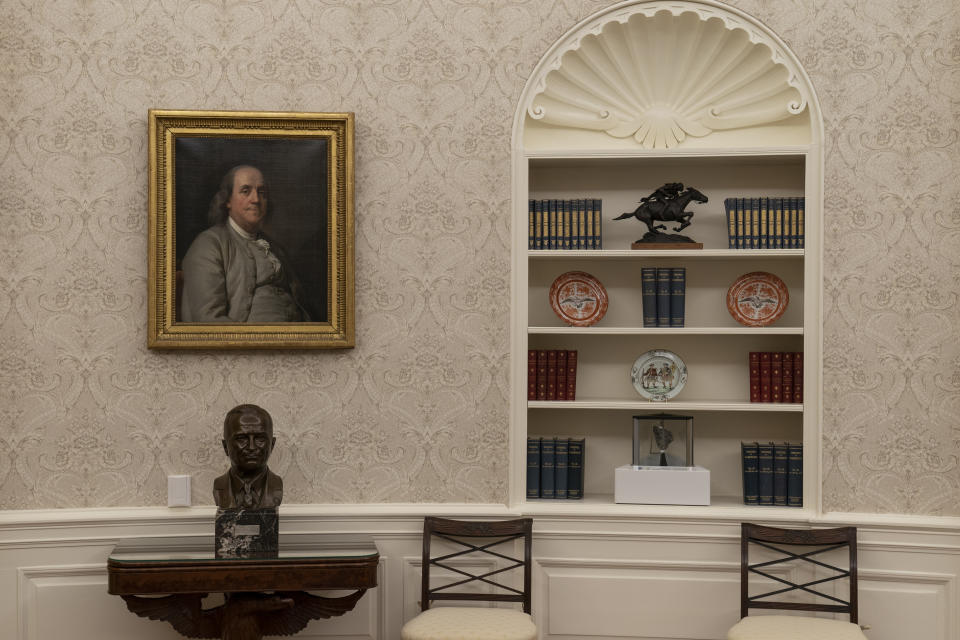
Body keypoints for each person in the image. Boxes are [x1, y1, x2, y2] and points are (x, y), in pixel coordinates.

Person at [181, 165, 310, 322]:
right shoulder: (208, 245)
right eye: (245, 191)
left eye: (261, 192)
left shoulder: (274, 247)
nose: (256, 199)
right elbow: (208, 319)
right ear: (227, 200)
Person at [213, 404, 283, 509]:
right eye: (241, 438)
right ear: (225, 446)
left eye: (260, 439)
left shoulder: (276, 486)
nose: (251, 447)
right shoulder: (219, 486)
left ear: (272, 445)